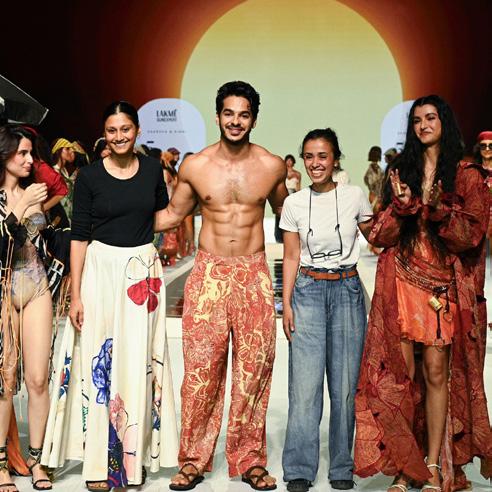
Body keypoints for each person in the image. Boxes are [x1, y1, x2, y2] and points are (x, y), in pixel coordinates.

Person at [354, 95, 492, 492]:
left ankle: (432, 464)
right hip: (401, 282)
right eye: (417, 120)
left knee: (435, 374)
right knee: (401, 377)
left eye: (431, 118)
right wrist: (401, 207)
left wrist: (439, 210)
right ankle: (406, 465)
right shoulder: (402, 170)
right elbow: (380, 234)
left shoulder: (465, 174)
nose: (423, 125)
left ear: (444, 122)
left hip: (443, 288)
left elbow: (472, 235)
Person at [154, 80, 288, 491]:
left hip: (253, 274)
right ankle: (192, 460)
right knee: (200, 371)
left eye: (243, 114)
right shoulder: (195, 166)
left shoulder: (271, 166)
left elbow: (290, 219)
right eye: (229, 113)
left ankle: (250, 459)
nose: (235, 121)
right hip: (209, 274)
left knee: (253, 371)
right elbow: (171, 215)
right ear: (217, 116)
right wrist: (112, 221)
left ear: (253, 119)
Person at [41, 101, 178, 491]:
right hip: (100, 271)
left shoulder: (151, 170)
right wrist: (76, 295)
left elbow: (159, 217)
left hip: (142, 273)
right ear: (105, 134)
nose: (119, 137)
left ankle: (132, 461)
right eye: (112, 130)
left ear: (137, 131)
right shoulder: (88, 176)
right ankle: (99, 462)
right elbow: (79, 236)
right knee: (96, 364)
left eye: (126, 129)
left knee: (139, 360)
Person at [280, 128, 372, 492]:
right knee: (304, 387)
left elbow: (379, 236)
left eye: (323, 156)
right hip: (308, 291)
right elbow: (291, 256)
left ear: (335, 159)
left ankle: (341, 466)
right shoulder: (294, 203)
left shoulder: (354, 196)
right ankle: (299, 467)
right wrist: (286, 304)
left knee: (345, 386)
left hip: (347, 290)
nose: (315, 163)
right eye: (309, 156)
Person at [0, 125, 54, 491]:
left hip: (36, 287)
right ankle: (1, 464)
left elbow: (39, 240)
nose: (29, 159)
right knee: (5, 379)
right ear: (4, 154)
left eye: (31, 153)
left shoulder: (34, 193)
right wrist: (20, 206)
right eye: (22, 153)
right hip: (4, 292)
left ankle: (37, 459)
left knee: (37, 378)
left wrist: (35, 204)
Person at [51, 138, 77, 224]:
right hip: (61, 213)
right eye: (67, 149)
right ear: (58, 150)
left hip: (70, 211)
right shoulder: (53, 171)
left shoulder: (64, 170)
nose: (71, 151)